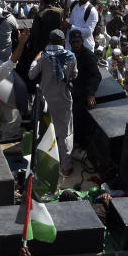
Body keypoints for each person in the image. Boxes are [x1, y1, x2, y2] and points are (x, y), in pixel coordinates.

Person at [28, 30, 79, 175]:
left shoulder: (44, 57)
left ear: (50, 41)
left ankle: (42, 167)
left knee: (43, 132)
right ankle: (65, 167)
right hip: (63, 100)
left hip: (46, 102)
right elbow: (74, 75)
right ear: (63, 42)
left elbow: (31, 75)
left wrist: (35, 60)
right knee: (65, 134)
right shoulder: (71, 56)